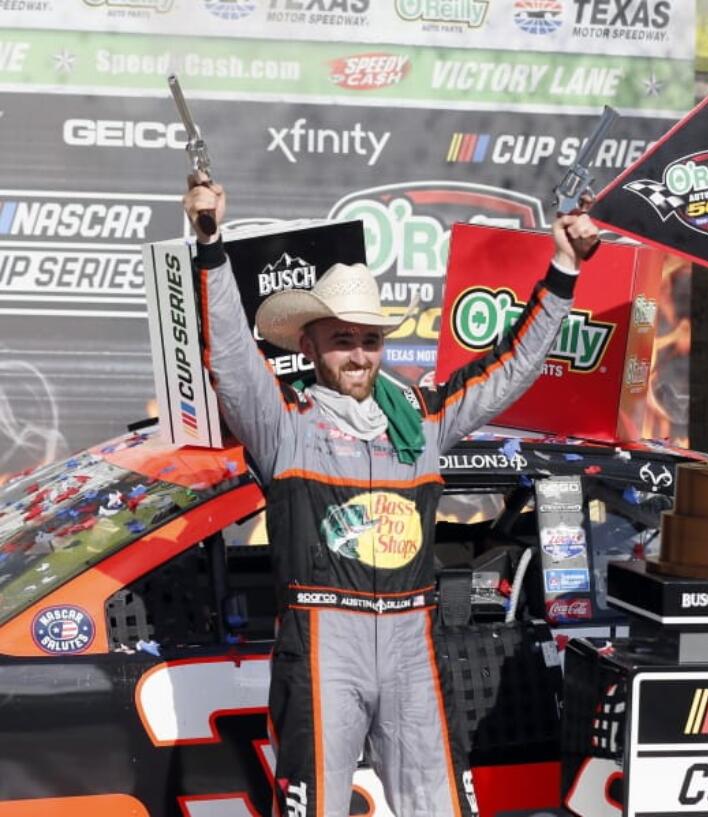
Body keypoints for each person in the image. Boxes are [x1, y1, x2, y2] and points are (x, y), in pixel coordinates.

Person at [182, 176, 599, 817]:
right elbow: (233, 359)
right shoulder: (283, 423)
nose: (357, 353)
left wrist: (564, 269)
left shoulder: (422, 418)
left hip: (411, 637)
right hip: (324, 637)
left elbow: (511, 368)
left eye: (369, 339)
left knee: (437, 807)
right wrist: (209, 245)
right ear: (309, 344)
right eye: (342, 338)